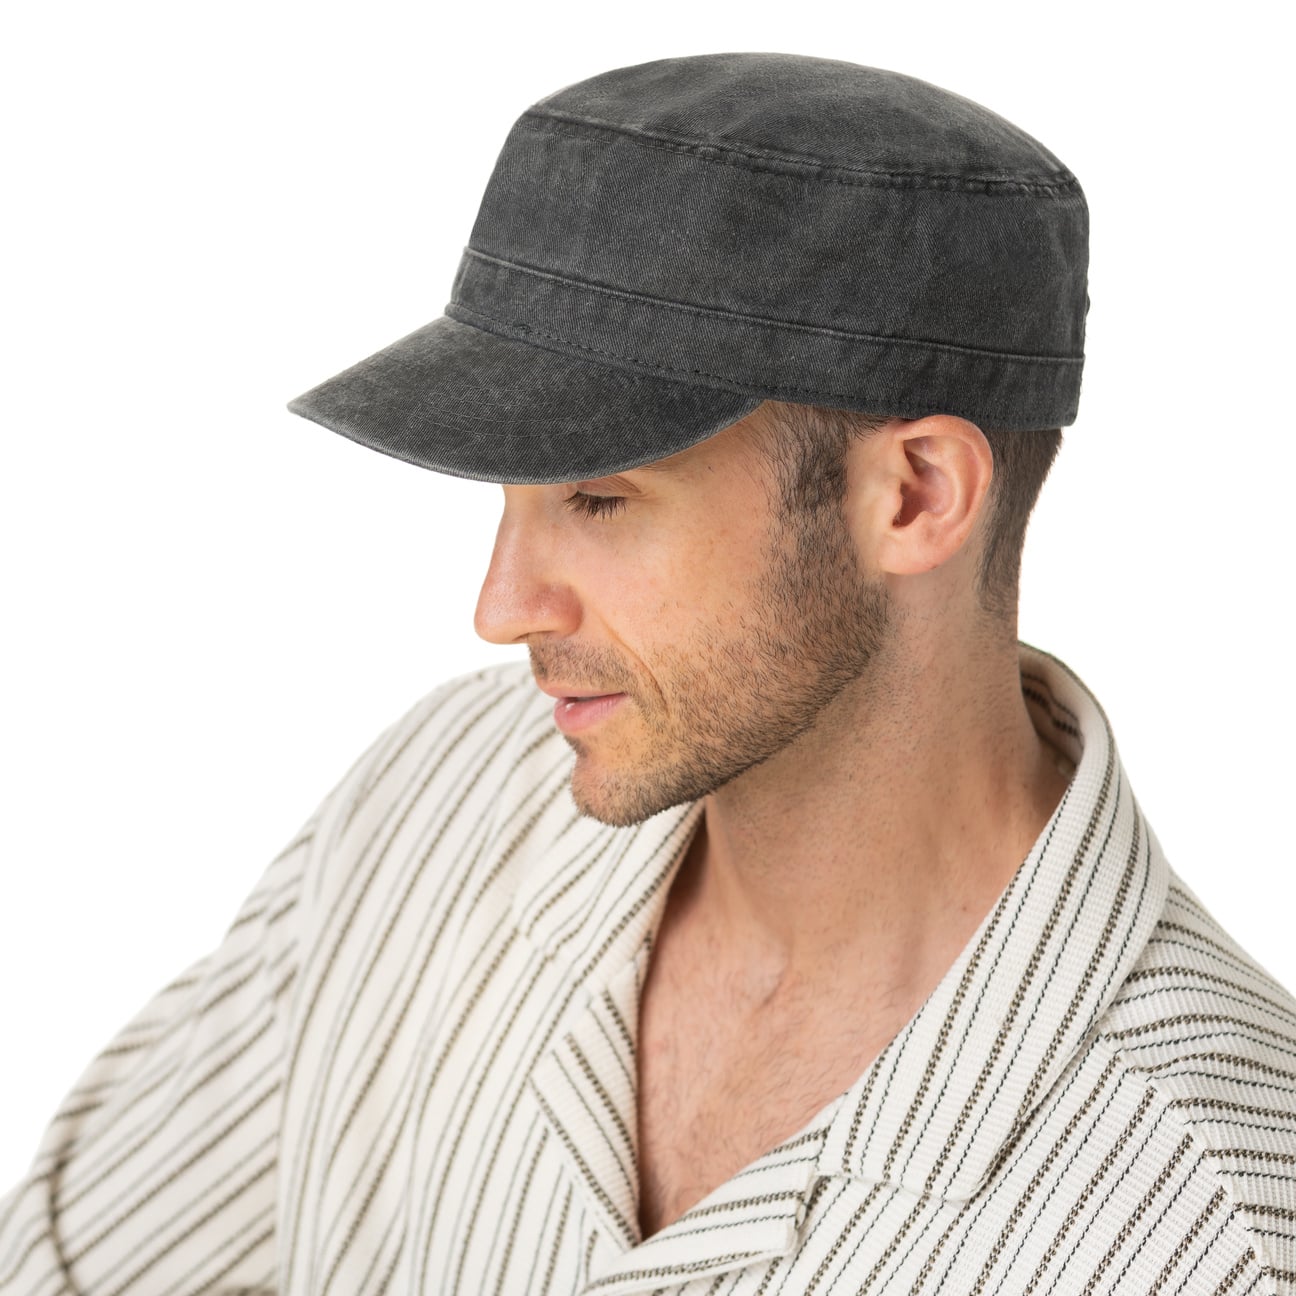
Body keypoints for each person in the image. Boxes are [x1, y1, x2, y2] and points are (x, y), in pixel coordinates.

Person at [2, 51, 1293, 1296]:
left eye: (601, 500)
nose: (501, 609)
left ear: (914, 495)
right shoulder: (444, 804)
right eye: (510, 496)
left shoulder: (1216, 1233)